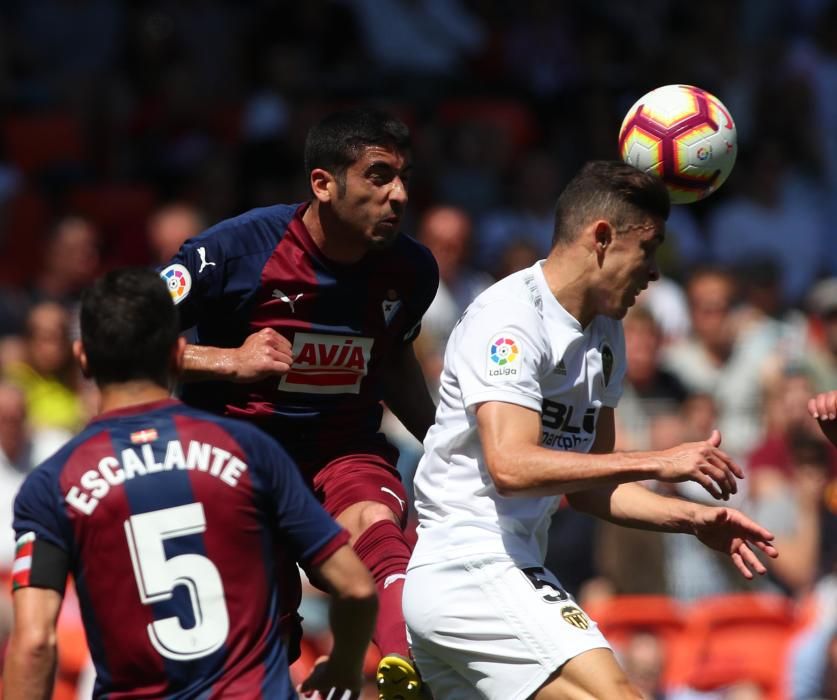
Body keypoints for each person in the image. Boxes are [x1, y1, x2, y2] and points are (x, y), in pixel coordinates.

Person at [403, 161, 779, 699]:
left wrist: (693, 518)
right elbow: (510, 465)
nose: (654, 273)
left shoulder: (606, 334)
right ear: (601, 238)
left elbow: (590, 489)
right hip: (472, 564)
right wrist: (655, 459)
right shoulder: (510, 318)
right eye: (648, 249)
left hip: (510, 567)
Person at [159, 107, 439, 698]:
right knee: (263, 634)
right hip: (240, 460)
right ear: (323, 183)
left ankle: (408, 668)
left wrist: (445, 442)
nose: (399, 195)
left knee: (376, 525)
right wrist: (226, 359)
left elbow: (392, 362)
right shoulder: (233, 252)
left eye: (404, 178)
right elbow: (124, 339)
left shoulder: (411, 270)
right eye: (379, 176)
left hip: (344, 449)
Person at [1, 268, 377, 699]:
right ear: (179, 352)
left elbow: (33, 644)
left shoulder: (53, 483)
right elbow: (356, 587)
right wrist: (347, 665)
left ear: (82, 356)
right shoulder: (250, 451)